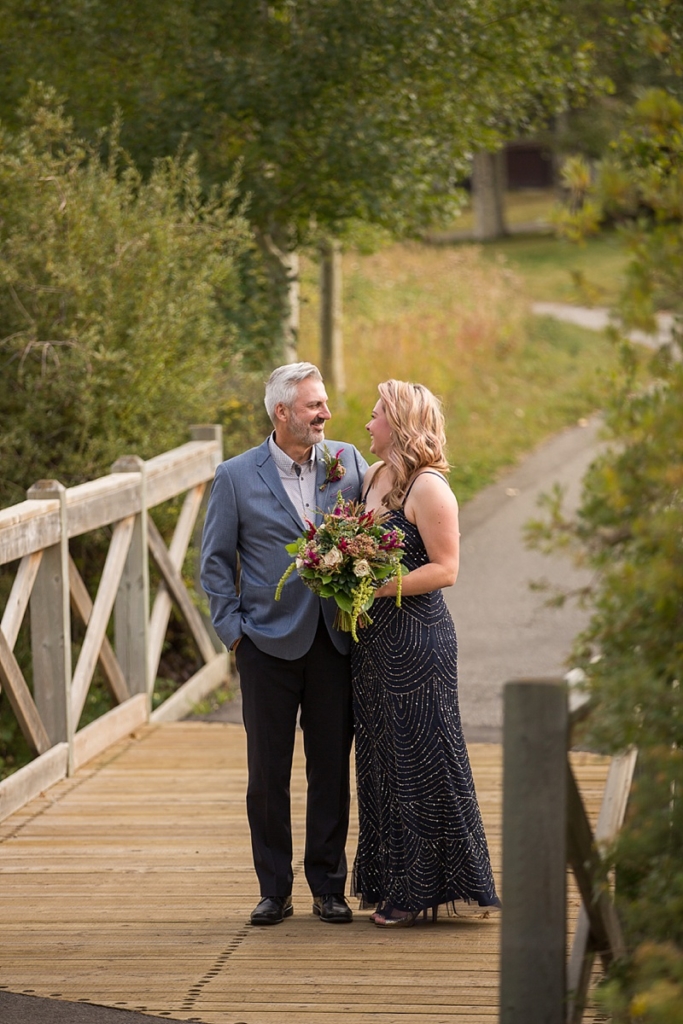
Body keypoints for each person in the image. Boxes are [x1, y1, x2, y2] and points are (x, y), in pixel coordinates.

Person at [201, 363, 368, 926]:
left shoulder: (347, 463)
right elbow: (216, 565)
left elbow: (372, 530)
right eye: (314, 406)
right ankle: (274, 889)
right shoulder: (234, 475)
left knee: (330, 769)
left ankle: (328, 886)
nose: (325, 413)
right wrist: (235, 636)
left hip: (333, 642)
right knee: (266, 774)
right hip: (265, 645)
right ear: (282, 413)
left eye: (324, 404)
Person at [351, 379, 501, 927]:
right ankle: (393, 879)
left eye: (374, 416)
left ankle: (417, 892)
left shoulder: (429, 488)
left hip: (417, 641)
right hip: (371, 644)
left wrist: (378, 588)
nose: (366, 425)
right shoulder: (373, 475)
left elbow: (446, 569)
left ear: (399, 423)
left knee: (420, 758)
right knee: (382, 760)